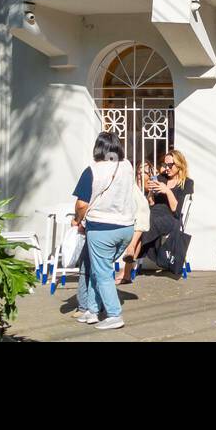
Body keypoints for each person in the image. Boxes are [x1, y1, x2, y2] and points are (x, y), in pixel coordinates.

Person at [70, 132, 136, 330]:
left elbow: (81, 204)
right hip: (126, 228)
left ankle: (115, 315)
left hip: (102, 229)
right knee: (100, 269)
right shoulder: (127, 166)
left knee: (103, 273)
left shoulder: (92, 170)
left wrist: (77, 220)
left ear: (97, 148)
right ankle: (92, 310)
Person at [118, 149, 191, 282]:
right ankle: (129, 260)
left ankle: (128, 264)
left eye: (170, 165)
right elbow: (151, 203)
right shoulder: (162, 178)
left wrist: (167, 191)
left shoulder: (187, 183)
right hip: (154, 212)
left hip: (171, 218)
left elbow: (177, 210)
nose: (166, 168)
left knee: (144, 223)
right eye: (165, 165)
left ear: (180, 165)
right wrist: (151, 193)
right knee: (143, 220)